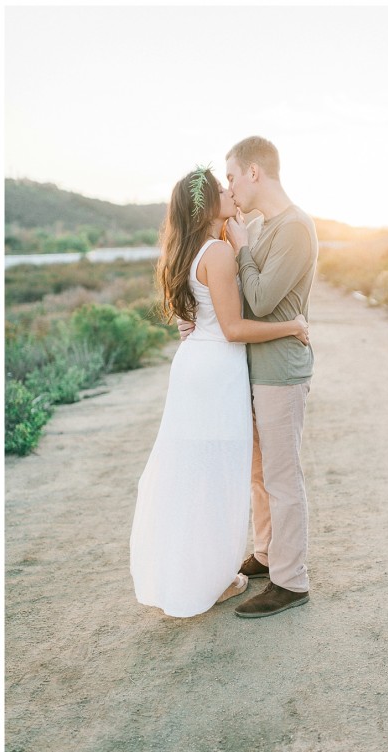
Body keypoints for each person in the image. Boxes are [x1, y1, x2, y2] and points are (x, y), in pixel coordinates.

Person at [129, 166, 309, 618]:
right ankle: (215, 577)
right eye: (223, 189)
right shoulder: (221, 254)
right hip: (218, 373)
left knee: (195, 471)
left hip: (193, 370)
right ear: (209, 206)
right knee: (218, 478)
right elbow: (232, 328)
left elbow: (196, 316)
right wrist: (294, 325)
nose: (231, 192)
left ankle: (194, 571)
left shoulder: (190, 249)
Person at [178, 137, 318, 618]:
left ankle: (291, 580)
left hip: (280, 370)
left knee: (281, 477)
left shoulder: (294, 228)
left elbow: (258, 299)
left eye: (233, 175)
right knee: (259, 474)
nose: (230, 186)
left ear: (254, 172)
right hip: (252, 370)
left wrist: (239, 247)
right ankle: (265, 553)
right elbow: (233, 300)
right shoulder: (263, 228)